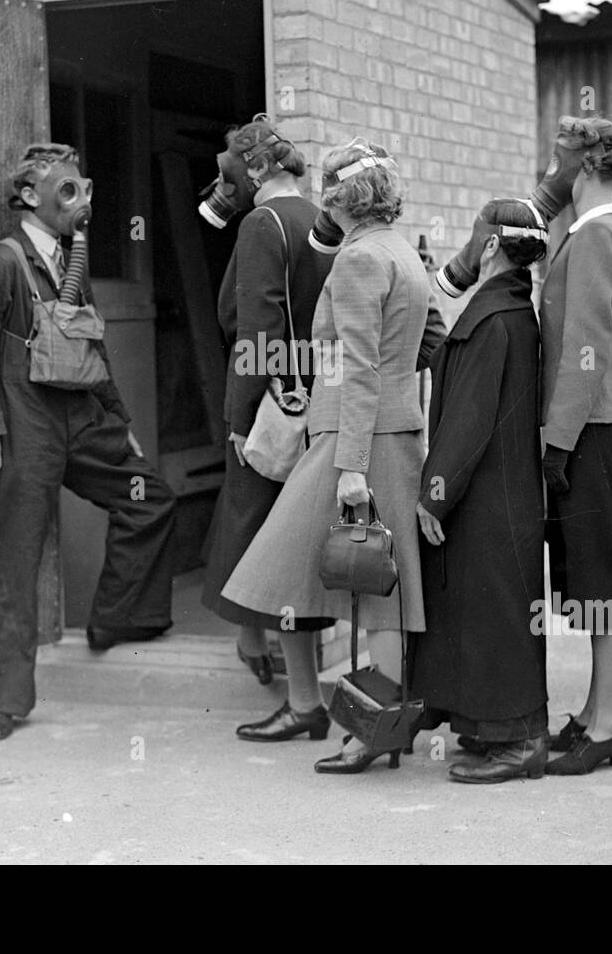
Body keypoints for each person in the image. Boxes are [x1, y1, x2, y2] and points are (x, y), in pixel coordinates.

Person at [220, 138, 446, 772]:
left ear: (338, 197)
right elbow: (422, 344)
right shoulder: (398, 250)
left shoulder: (357, 260)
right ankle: (363, 724)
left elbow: (359, 369)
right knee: (377, 593)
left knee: (362, 592)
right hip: (387, 435)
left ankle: (370, 731)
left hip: (356, 442)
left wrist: (350, 466)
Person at [0, 143, 177, 742]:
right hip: (23, 425)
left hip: (78, 412)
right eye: (64, 188)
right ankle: (3, 703)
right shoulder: (2, 265)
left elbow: (91, 345)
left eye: (82, 187)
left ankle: (118, 620)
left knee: (149, 496)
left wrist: (118, 419)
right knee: (13, 561)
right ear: (29, 197)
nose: (78, 200)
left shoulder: (69, 260)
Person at [408, 202, 551, 784]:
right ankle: (492, 734)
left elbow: (468, 419)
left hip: (488, 499)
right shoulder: (509, 309)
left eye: (475, 238)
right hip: (500, 495)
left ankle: (520, 743)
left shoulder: (494, 319)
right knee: (489, 612)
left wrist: (433, 495)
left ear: (491, 247)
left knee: (495, 615)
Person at [200, 118, 333, 683]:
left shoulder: (262, 222)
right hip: (316, 397)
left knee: (256, 531)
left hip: (274, 405)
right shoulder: (324, 222)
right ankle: (268, 650)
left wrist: (240, 416)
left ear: (259, 169)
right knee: (286, 531)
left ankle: (264, 655)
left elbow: (259, 334)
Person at [537, 116, 612, 776]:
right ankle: (593, 713)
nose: (549, 172)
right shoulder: (588, 232)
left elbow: (585, 348)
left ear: (582, 167)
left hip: (591, 431)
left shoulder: (599, 233)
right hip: (587, 429)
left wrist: (557, 442)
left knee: (606, 579)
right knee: (591, 578)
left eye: (557, 160)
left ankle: (611, 723)